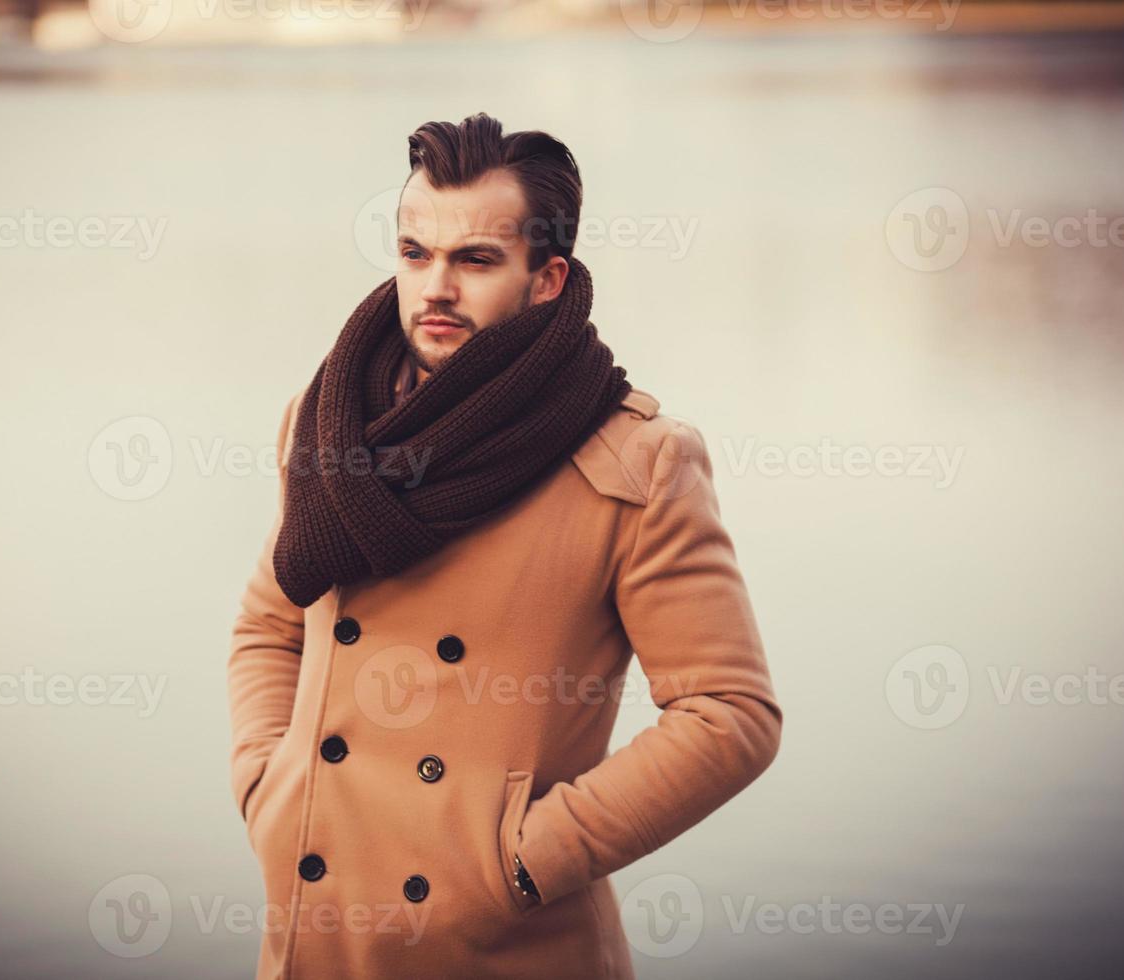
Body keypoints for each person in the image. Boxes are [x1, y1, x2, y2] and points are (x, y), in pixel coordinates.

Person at [227, 111, 782, 979]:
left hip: (504, 948)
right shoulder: (331, 423)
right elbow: (270, 624)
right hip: (317, 929)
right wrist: (269, 786)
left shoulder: (636, 462)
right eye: (416, 253)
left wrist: (523, 863)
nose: (434, 287)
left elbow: (729, 716)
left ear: (547, 278)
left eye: (476, 260)